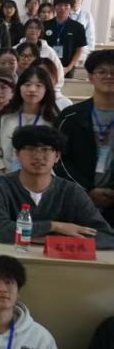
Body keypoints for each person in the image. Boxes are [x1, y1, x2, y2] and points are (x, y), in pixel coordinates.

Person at [0, 125, 113, 249]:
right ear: (17, 154)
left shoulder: (72, 191)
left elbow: (106, 236)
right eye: (30, 149)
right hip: (11, 258)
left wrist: (52, 240)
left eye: (46, 149)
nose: (38, 156)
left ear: (57, 156)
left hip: (59, 261)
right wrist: (54, 226)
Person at [57, 50, 114, 223]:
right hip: (78, 201)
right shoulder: (70, 116)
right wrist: (86, 189)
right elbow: (58, 158)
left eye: (113, 72)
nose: (109, 76)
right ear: (90, 77)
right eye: (102, 72)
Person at [0, 66, 60, 176]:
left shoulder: (53, 121)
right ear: (19, 87)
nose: (32, 89)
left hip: (43, 180)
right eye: (27, 84)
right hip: (7, 177)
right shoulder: (5, 116)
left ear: (46, 89)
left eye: (38, 85)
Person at [45, 0, 88, 78]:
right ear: (54, 7)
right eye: (59, 5)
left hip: (67, 67)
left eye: (66, 5)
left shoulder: (78, 27)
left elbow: (79, 49)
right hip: (47, 65)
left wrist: (69, 67)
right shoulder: (45, 25)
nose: (62, 8)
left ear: (71, 8)